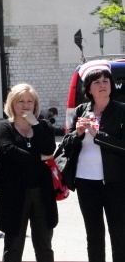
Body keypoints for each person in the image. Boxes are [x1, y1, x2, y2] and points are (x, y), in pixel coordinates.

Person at [59, 60, 125, 262]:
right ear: (88, 88)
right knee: (94, 234)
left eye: (106, 80)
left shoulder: (121, 110)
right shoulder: (80, 110)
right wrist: (77, 134)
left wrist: (97, 134)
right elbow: (65, 146)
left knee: (120, 234)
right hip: (86, 181)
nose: (103, 85)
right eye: (97, 82)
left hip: (116, 182)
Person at [0, 83, 57, 262]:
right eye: (21, 101)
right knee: (13, 247)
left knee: (44, 246)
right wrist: (39, 158)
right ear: (12, 104)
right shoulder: (3, 127)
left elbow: (50, 148)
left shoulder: (42, 126)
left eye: (30, 101)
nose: (26, 105)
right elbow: (9, 152)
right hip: (13, 194)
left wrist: (35, 124)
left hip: (42, 192)